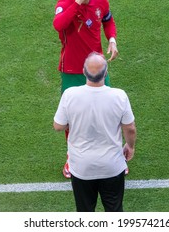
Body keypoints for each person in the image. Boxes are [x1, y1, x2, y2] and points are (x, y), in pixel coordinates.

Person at [53, 0, 119, 178]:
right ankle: (72, 159)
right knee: (71, 118)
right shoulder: (64, 3)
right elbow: (59, 25)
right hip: (72, 70)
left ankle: (116, 154)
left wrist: (112, 39)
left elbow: (108, 21)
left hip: (98, 67)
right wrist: (78, 3)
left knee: (109, 112)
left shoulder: (101, 0)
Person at [53, 52, 136, 212]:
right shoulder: (119, 96)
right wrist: (130, 147)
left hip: (81, 167)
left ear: (84, 72)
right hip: (112, 166)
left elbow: (58, 126)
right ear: (105, 74)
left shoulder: (70, 95)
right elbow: (130, 128)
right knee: (115, 211)